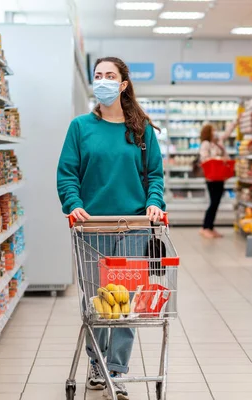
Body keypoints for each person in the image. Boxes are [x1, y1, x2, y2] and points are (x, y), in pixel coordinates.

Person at [57, 56, 165, 400]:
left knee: (126, 305)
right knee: (98, 304)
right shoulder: (80, 127)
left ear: (122, 85)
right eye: (97, 75)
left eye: (109, 76)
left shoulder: (141, 129)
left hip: (134, 226)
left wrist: (155, 202)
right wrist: (73, 204)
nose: (102, 81)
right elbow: (67, 173)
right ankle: (95, 362)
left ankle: (116, 370)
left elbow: (156, 176)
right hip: (92, 229)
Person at [199, 121, 237, 238]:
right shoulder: (206, 144)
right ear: (208, 133)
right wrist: (218, 158)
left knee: (216, 202)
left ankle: (210, 227)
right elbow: (204, 158)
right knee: (214, 202)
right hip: (211, 178)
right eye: (212, 131)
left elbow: (227, 133)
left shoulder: (217, 142)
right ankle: (205, 227)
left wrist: (236, 122)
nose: (214, 133)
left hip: (220, 177)